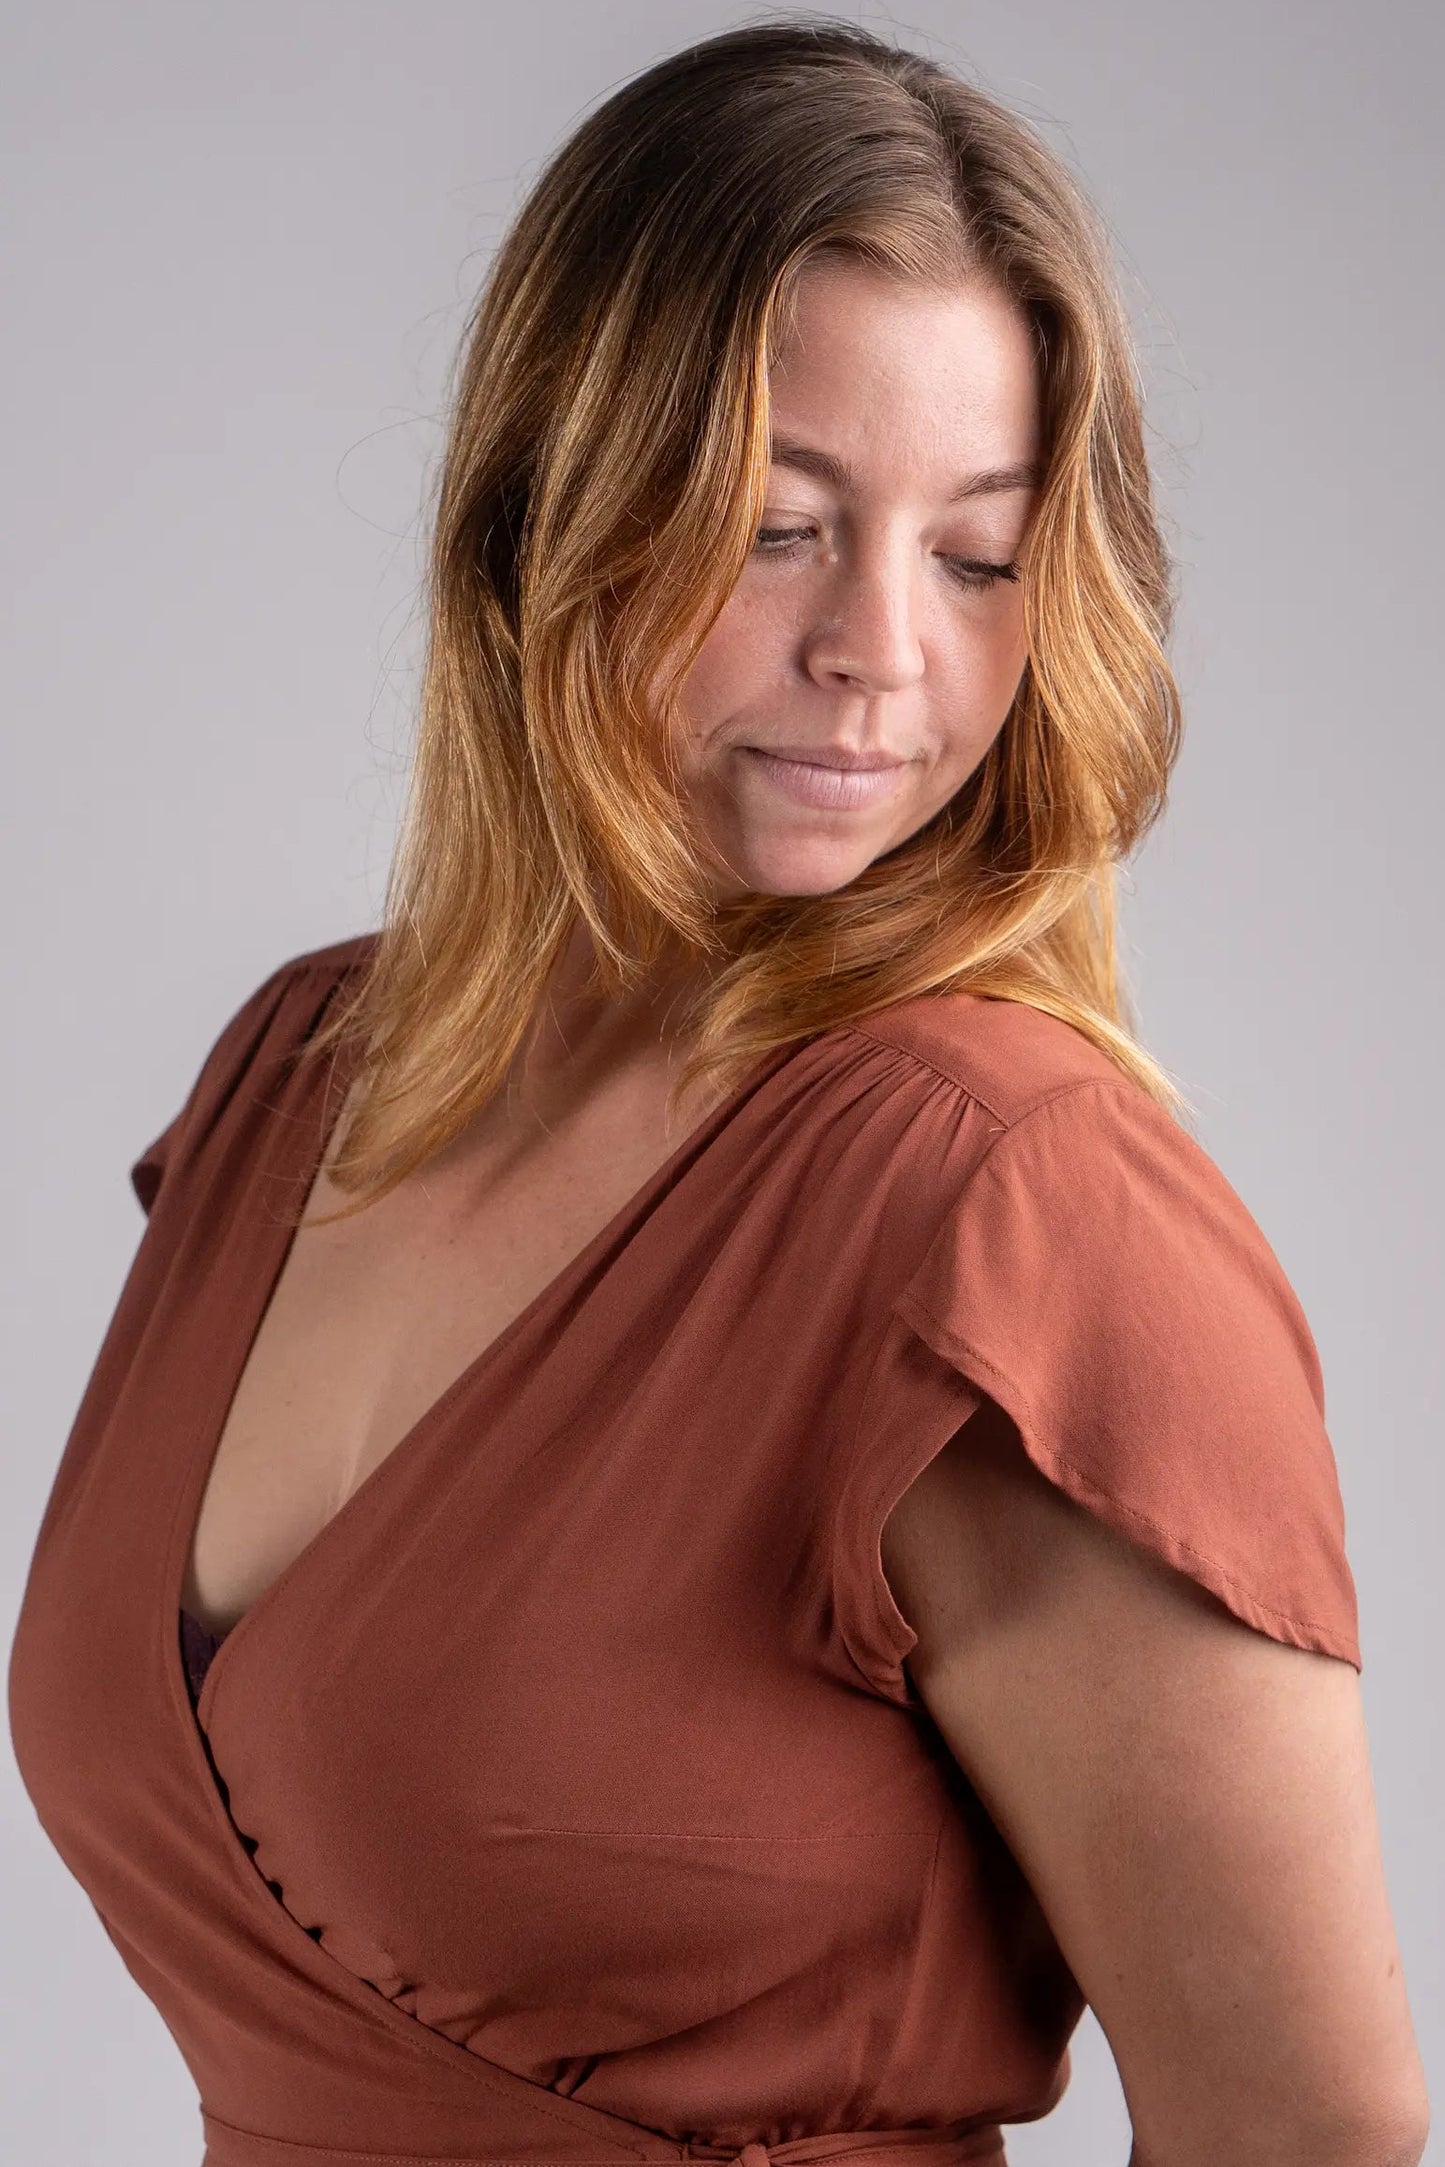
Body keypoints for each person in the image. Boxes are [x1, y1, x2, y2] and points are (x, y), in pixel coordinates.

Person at [8, 18, 1429, 2167]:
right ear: (540, 512)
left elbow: (1305, 2136)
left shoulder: (1008, 1212)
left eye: (976, 552)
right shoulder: (292, 1085)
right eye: (778, 529)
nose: (881, 646)